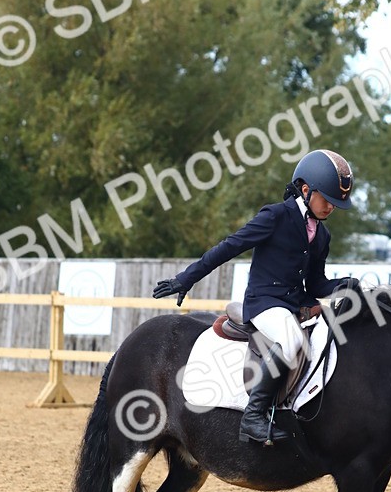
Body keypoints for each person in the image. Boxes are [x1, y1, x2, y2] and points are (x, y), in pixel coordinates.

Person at [153, 148, 358, 445]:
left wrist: (342, 285)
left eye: (336, 203)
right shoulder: (275, 216)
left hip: (294, 304)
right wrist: (186, 279)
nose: (332, 208)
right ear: (305, 190)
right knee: (291, 340)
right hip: (264, 303)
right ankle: (253, 416)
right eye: (327, 199)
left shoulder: (322, 235)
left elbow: (315, 284)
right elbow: (228, 247)